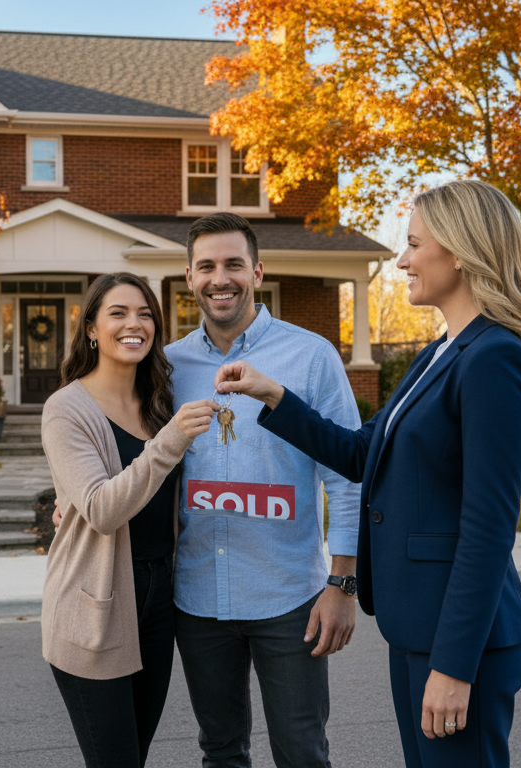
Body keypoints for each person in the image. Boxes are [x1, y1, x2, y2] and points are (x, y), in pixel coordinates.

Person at [215, 179, 521, 768]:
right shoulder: (440, 353)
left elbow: (488, 528)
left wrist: (453, 665)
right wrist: (273, 395)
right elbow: (360, 453)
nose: (400, 259)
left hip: (460, 642)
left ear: (460, 250)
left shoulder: (493, 357)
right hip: (416, 628)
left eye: (413, 244)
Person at [167, 212, 362, 767]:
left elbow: (346, 475)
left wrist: (342, 585)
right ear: (189, 276)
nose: (219, 278)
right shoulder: (168, 365)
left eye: (232, 264)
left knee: (301, 752)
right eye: (206, 266)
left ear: (257, 271)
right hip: (199, 595)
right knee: (221, 750)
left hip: (290, 597)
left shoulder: (311, 356)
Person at [41, 272, 217, 768]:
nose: (133, 324)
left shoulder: (160, 400)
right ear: (91, 329)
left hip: (160, 595)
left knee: (133, 757)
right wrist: (170, 441)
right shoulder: (66, 409)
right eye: (118, 313)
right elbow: (101, 509)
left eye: (144, 314)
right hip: (95, 598)